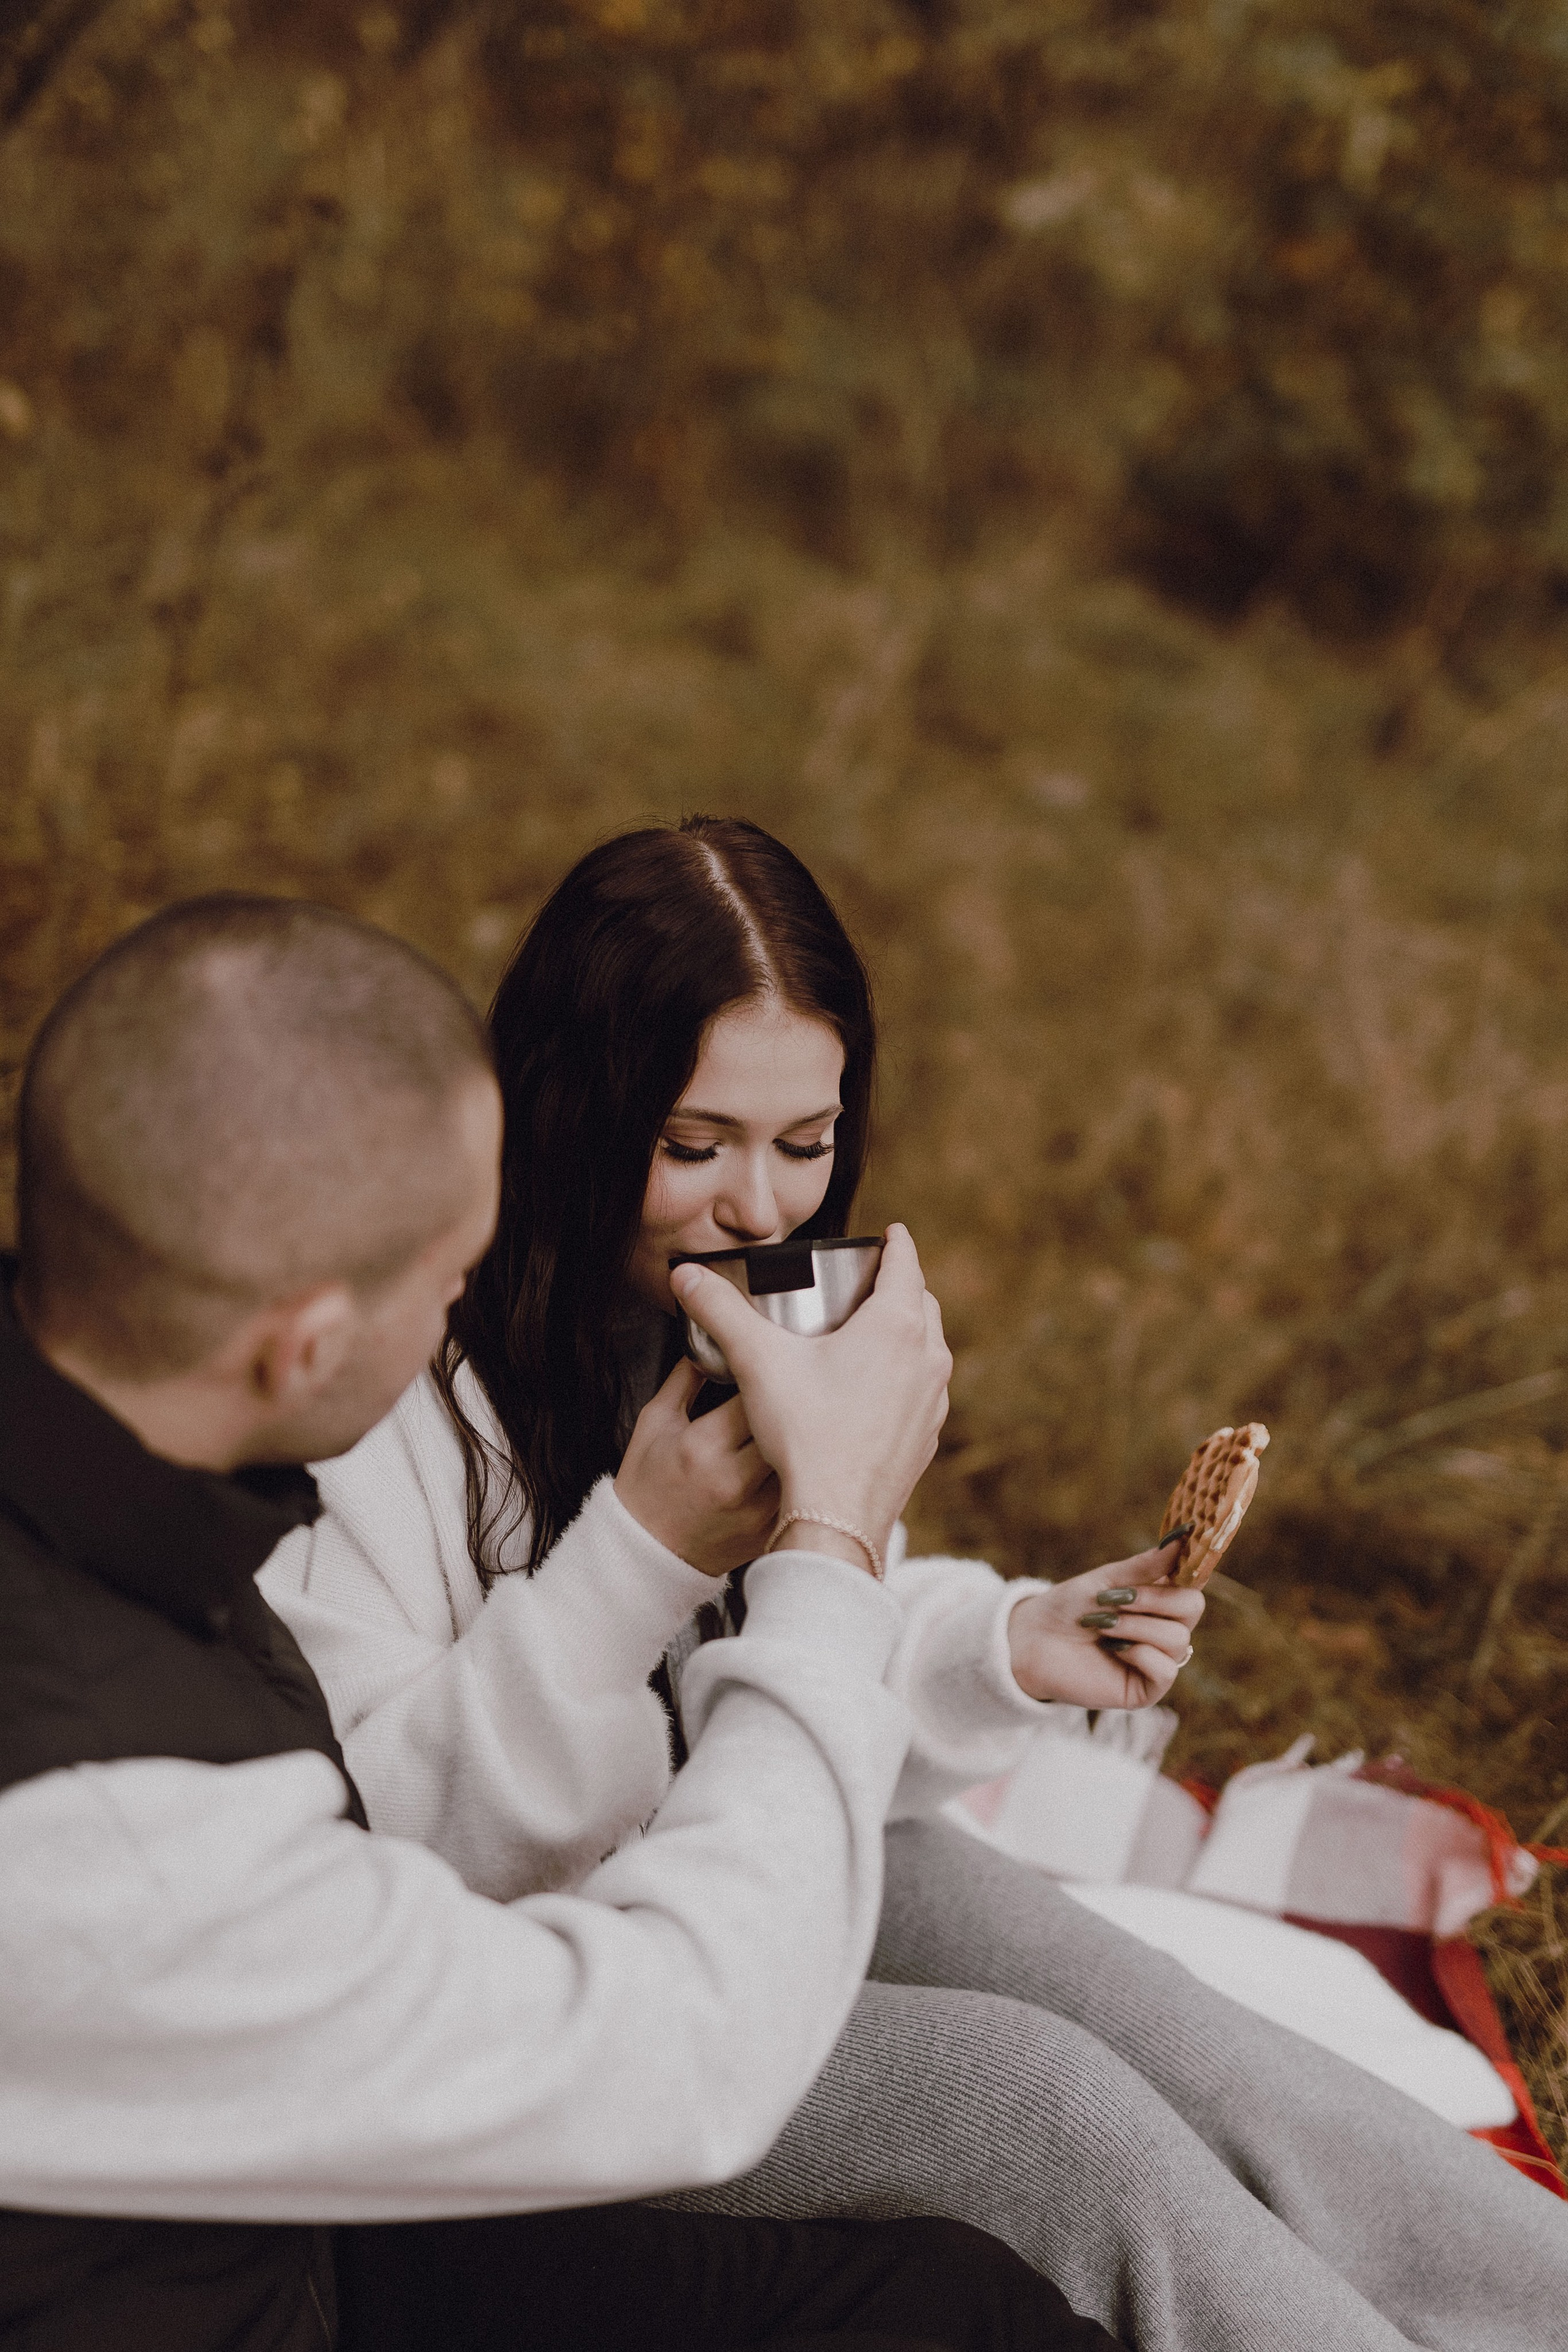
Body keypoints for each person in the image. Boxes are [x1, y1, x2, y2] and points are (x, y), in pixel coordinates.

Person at [261, 820, 1568, 2352]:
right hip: (528, 2012)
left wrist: (1004, 1644)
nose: (761, 1207)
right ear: (563, 1115)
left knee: (1153, 2022)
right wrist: (641, 1553)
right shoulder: (374, 1390)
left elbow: (783, 1653)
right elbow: (380, 1857)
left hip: (710, 1860)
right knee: (1044, 2107)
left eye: (805, 1143)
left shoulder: (716, 1313)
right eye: (694, 1146)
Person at [0, 893, 1119, 2352]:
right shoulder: (109, 1829)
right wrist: (827, 1536)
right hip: (254, 2287)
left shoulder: (114, 1491)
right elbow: (684, 2057)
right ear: (309, 1342)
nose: (475, 1295)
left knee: (956, 2300)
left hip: (254, 2209)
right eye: (450, 1272)